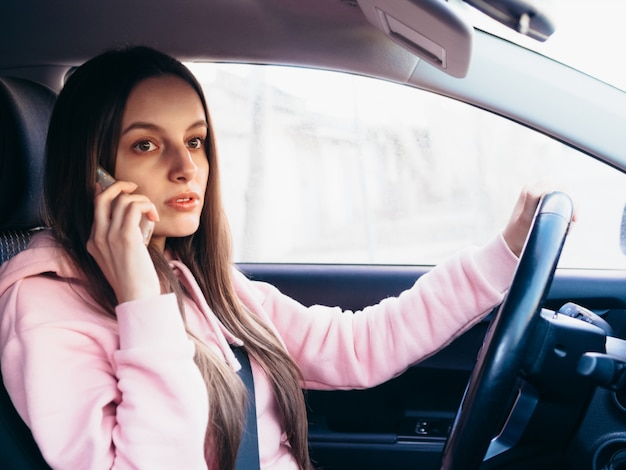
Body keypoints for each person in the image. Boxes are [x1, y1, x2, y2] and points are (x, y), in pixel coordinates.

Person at [0, 45, 549, 470]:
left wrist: (504, 253)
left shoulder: (191, 279)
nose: (186, 168)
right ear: (91, 171)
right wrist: (140, 304)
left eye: (194, 141)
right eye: (146, 144)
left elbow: (354, 347)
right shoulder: (43, 308)